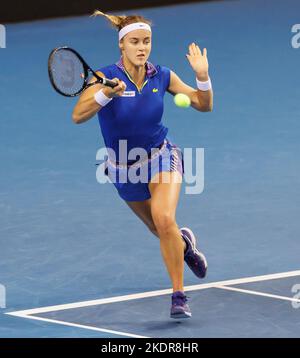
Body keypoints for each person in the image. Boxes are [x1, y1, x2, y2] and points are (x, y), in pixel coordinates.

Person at [72, 10, 213, 319]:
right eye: (134, 41)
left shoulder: (162, 75)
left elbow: (204, 104)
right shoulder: (103, 78)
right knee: (158, 228)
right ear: (121, 45)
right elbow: (78, 115)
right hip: (122, 168)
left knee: (163, 219)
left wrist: (202, 76)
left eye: (146, 41)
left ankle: (178, 295)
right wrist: (105, 95)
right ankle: (185, 246)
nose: (141, 47)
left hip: (161, 157)